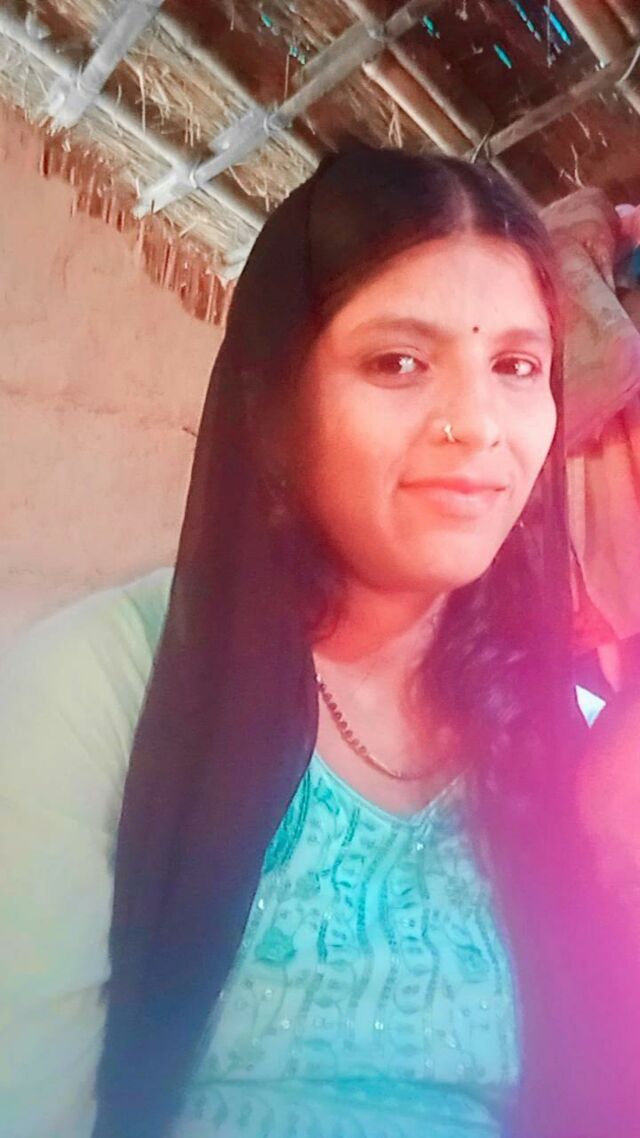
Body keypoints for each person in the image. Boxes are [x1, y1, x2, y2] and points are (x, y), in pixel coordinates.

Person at [1, 145, 638, 1138]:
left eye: (516, 366)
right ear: (274, 405)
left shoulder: (554, 738)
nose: (477, 425)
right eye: (399, 362)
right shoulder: (100, 690)